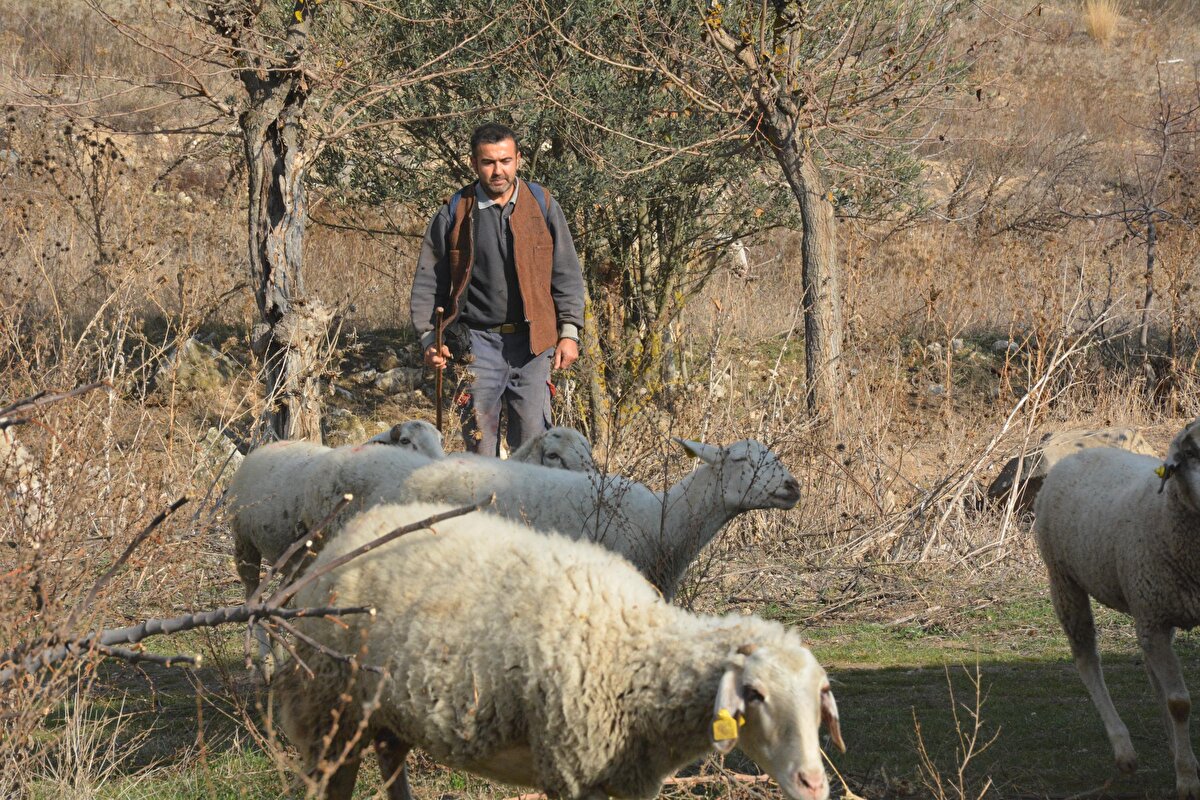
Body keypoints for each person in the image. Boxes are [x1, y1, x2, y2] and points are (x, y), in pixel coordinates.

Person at [410, 122, 585, 456]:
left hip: (533, 345)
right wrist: (430, 339)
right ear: (474, 163)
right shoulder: (454, 212)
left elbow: (566, 274)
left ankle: (526, 494)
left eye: (505, 161)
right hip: (476, 344)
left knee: (534, 448)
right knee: (480, 446)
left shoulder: (542, 205)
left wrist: (569, 333)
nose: (498, 170)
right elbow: (428, 280)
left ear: (518, 159)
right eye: (488, 162)